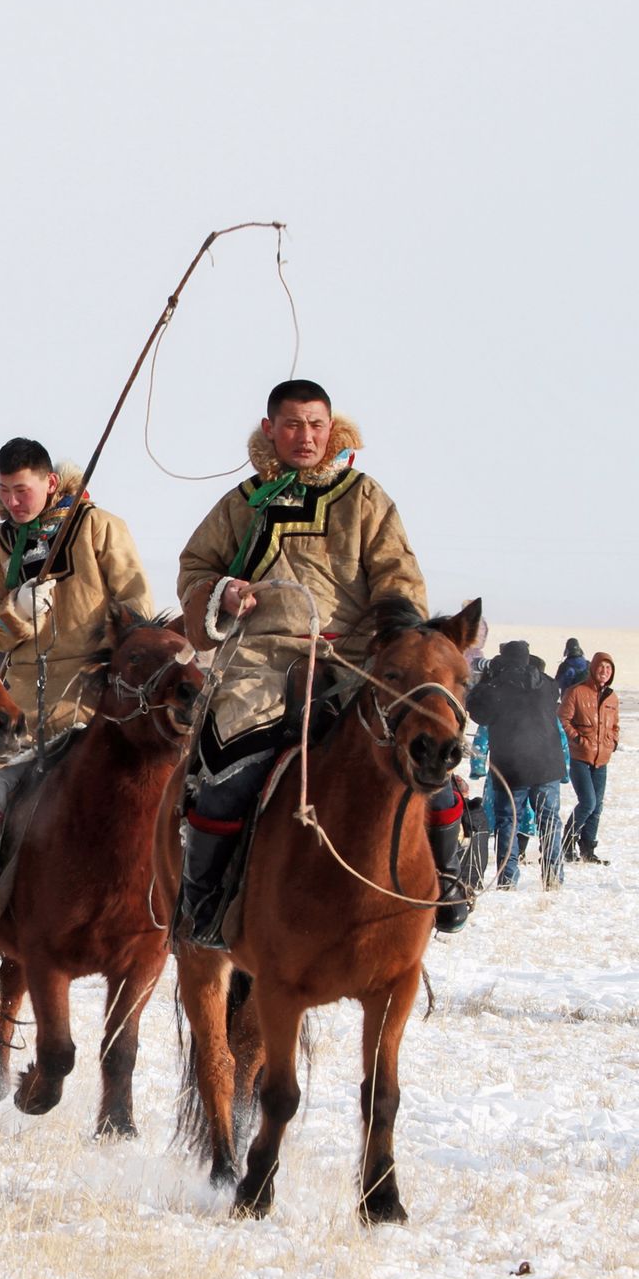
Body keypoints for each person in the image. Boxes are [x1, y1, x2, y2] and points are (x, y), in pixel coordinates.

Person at [175, 380, 472, 945]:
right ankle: (206, 903)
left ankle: (448, 879)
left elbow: (399, 582)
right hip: (261, 659)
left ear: (330, 428)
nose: (305, 436)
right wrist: (224, 594)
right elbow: (195, 568)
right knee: (225, 770)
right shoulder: (242, 504)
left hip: (358, 661)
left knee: (422, 749)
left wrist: (388, 650)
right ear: (270, 430)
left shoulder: (364, 497)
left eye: (315, 424)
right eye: (292, 424)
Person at [0, 436, 153, 934]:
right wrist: (14, 613)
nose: (13, 502)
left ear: (50, 483)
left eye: (23, 490)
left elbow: (134, 608)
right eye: (5, 492)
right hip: (15, 702)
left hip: (88, 699)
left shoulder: (99, 527)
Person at [469, 640, 567, 889]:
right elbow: (554, 690)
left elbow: (477, 711)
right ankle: (553, 875)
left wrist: (487, 677)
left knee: (507, 822)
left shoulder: (495, 687)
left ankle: (507, 878)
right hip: (547, 765)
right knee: (549, 821)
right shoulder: (546, 684)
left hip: (511, 767)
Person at [559, 651, 618, 864]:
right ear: (593, 668)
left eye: (608, 668)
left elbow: (614, 725)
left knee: (597, 806)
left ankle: (587, 849)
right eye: (601, 667)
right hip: (580, 757)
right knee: (588, 802)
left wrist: (613, 741)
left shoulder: (612, 697)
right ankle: (566, 842)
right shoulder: (576, 692)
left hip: (602, 759)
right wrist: (577, 739)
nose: (604, 671)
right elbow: (563, 719)